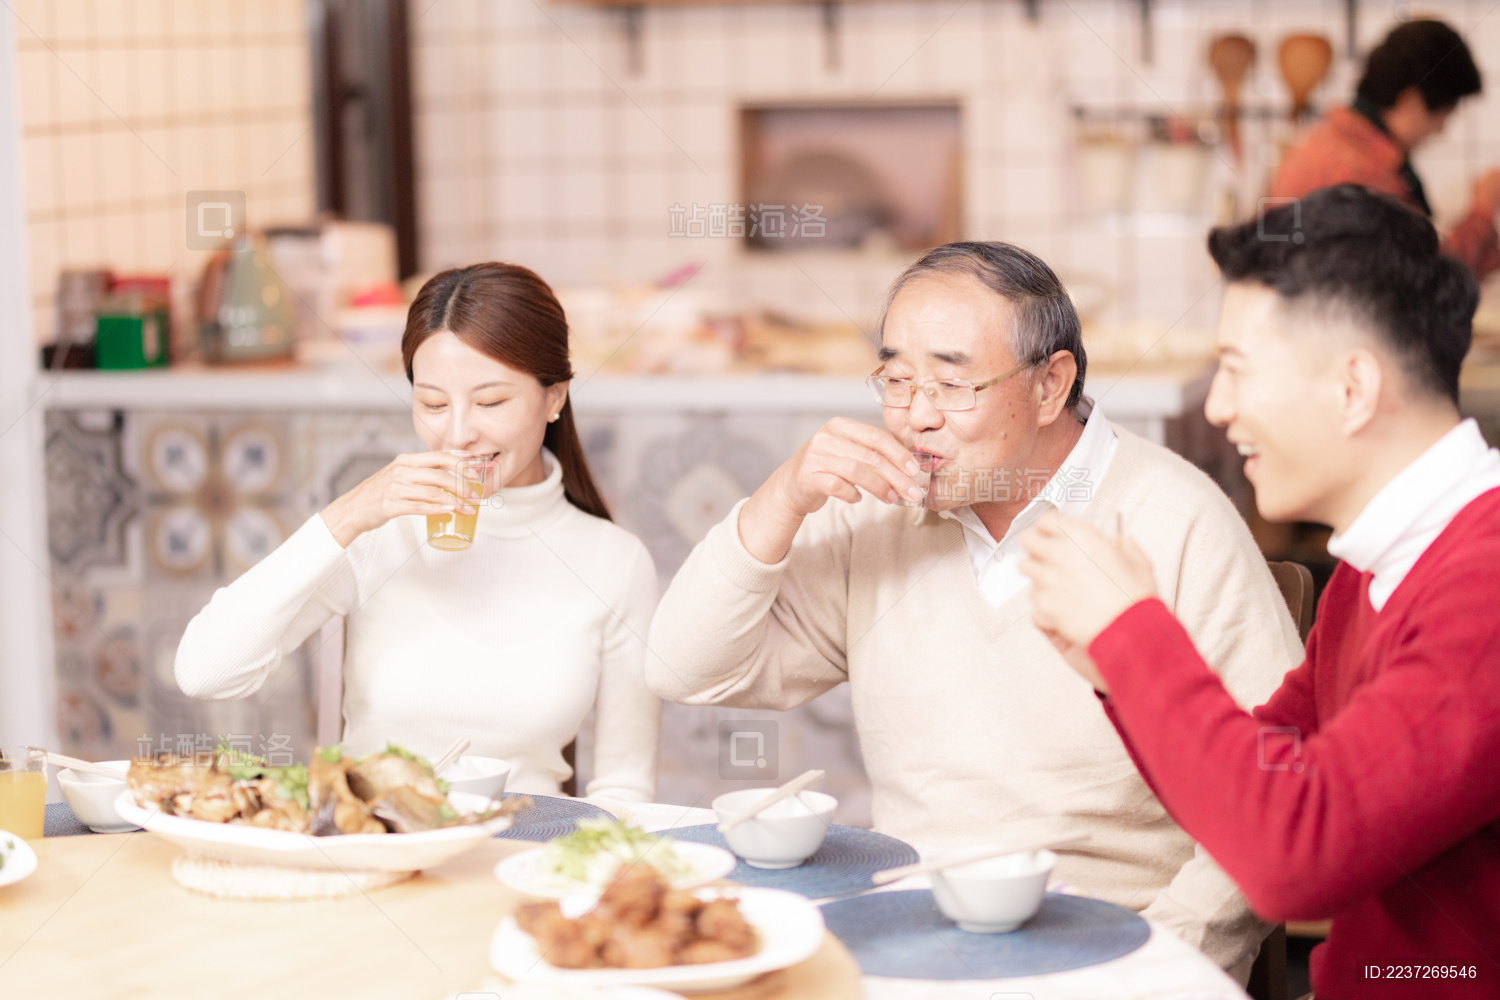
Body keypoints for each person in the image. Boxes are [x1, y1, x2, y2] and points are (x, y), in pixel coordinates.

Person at [645, 241, 1304, 979]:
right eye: (897, 380)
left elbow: (1278, 797)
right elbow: (683, 669)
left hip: (1113, 950)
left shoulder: (1174, 519)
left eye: (952, 384)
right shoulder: (877, 516)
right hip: (909, 944)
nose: (915, 418)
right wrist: (781, 498)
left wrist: (1154, 966)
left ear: (1051, 385)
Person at [1020, 185, 1500, 999]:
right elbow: (1263, 780)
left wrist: (1136, 633)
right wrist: (1116, 672)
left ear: (1353, 387)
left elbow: (1292, 861)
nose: (1218, 406)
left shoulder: (1483, 585)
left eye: (1237, 370)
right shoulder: (1375, 568)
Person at [175, 263, 661, 802]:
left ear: (555, 398)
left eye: (490, 402)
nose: (457, 434)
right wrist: (348, 515)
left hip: (522, 845)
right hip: (373, 838)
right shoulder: (378, 530)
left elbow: (624, 790)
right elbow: (205, 672)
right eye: (433, 404)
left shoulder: (616, 563)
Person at [1270, 18, 1500, 279]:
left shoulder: (1329, 142)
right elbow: (1424, 278)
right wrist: (1483, 208)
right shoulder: (1359, 169)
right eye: (1443, 116)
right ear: (1412, 102)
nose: (1440, 130)